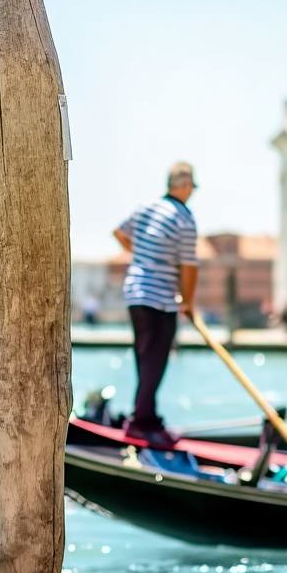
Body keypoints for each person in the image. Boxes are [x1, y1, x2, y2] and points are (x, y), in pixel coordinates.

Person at [112, 161, 199, 449]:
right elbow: (188, 267)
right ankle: (141, 422)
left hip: (135, 293)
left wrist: (144, 258)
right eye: (191, 188)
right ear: (184, 186)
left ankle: (145, 415)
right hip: (160, 299)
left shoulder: (146, 207)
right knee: (156, 360)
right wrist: (187, 302)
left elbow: (120, 233)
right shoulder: (184, 219)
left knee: (145, 357)